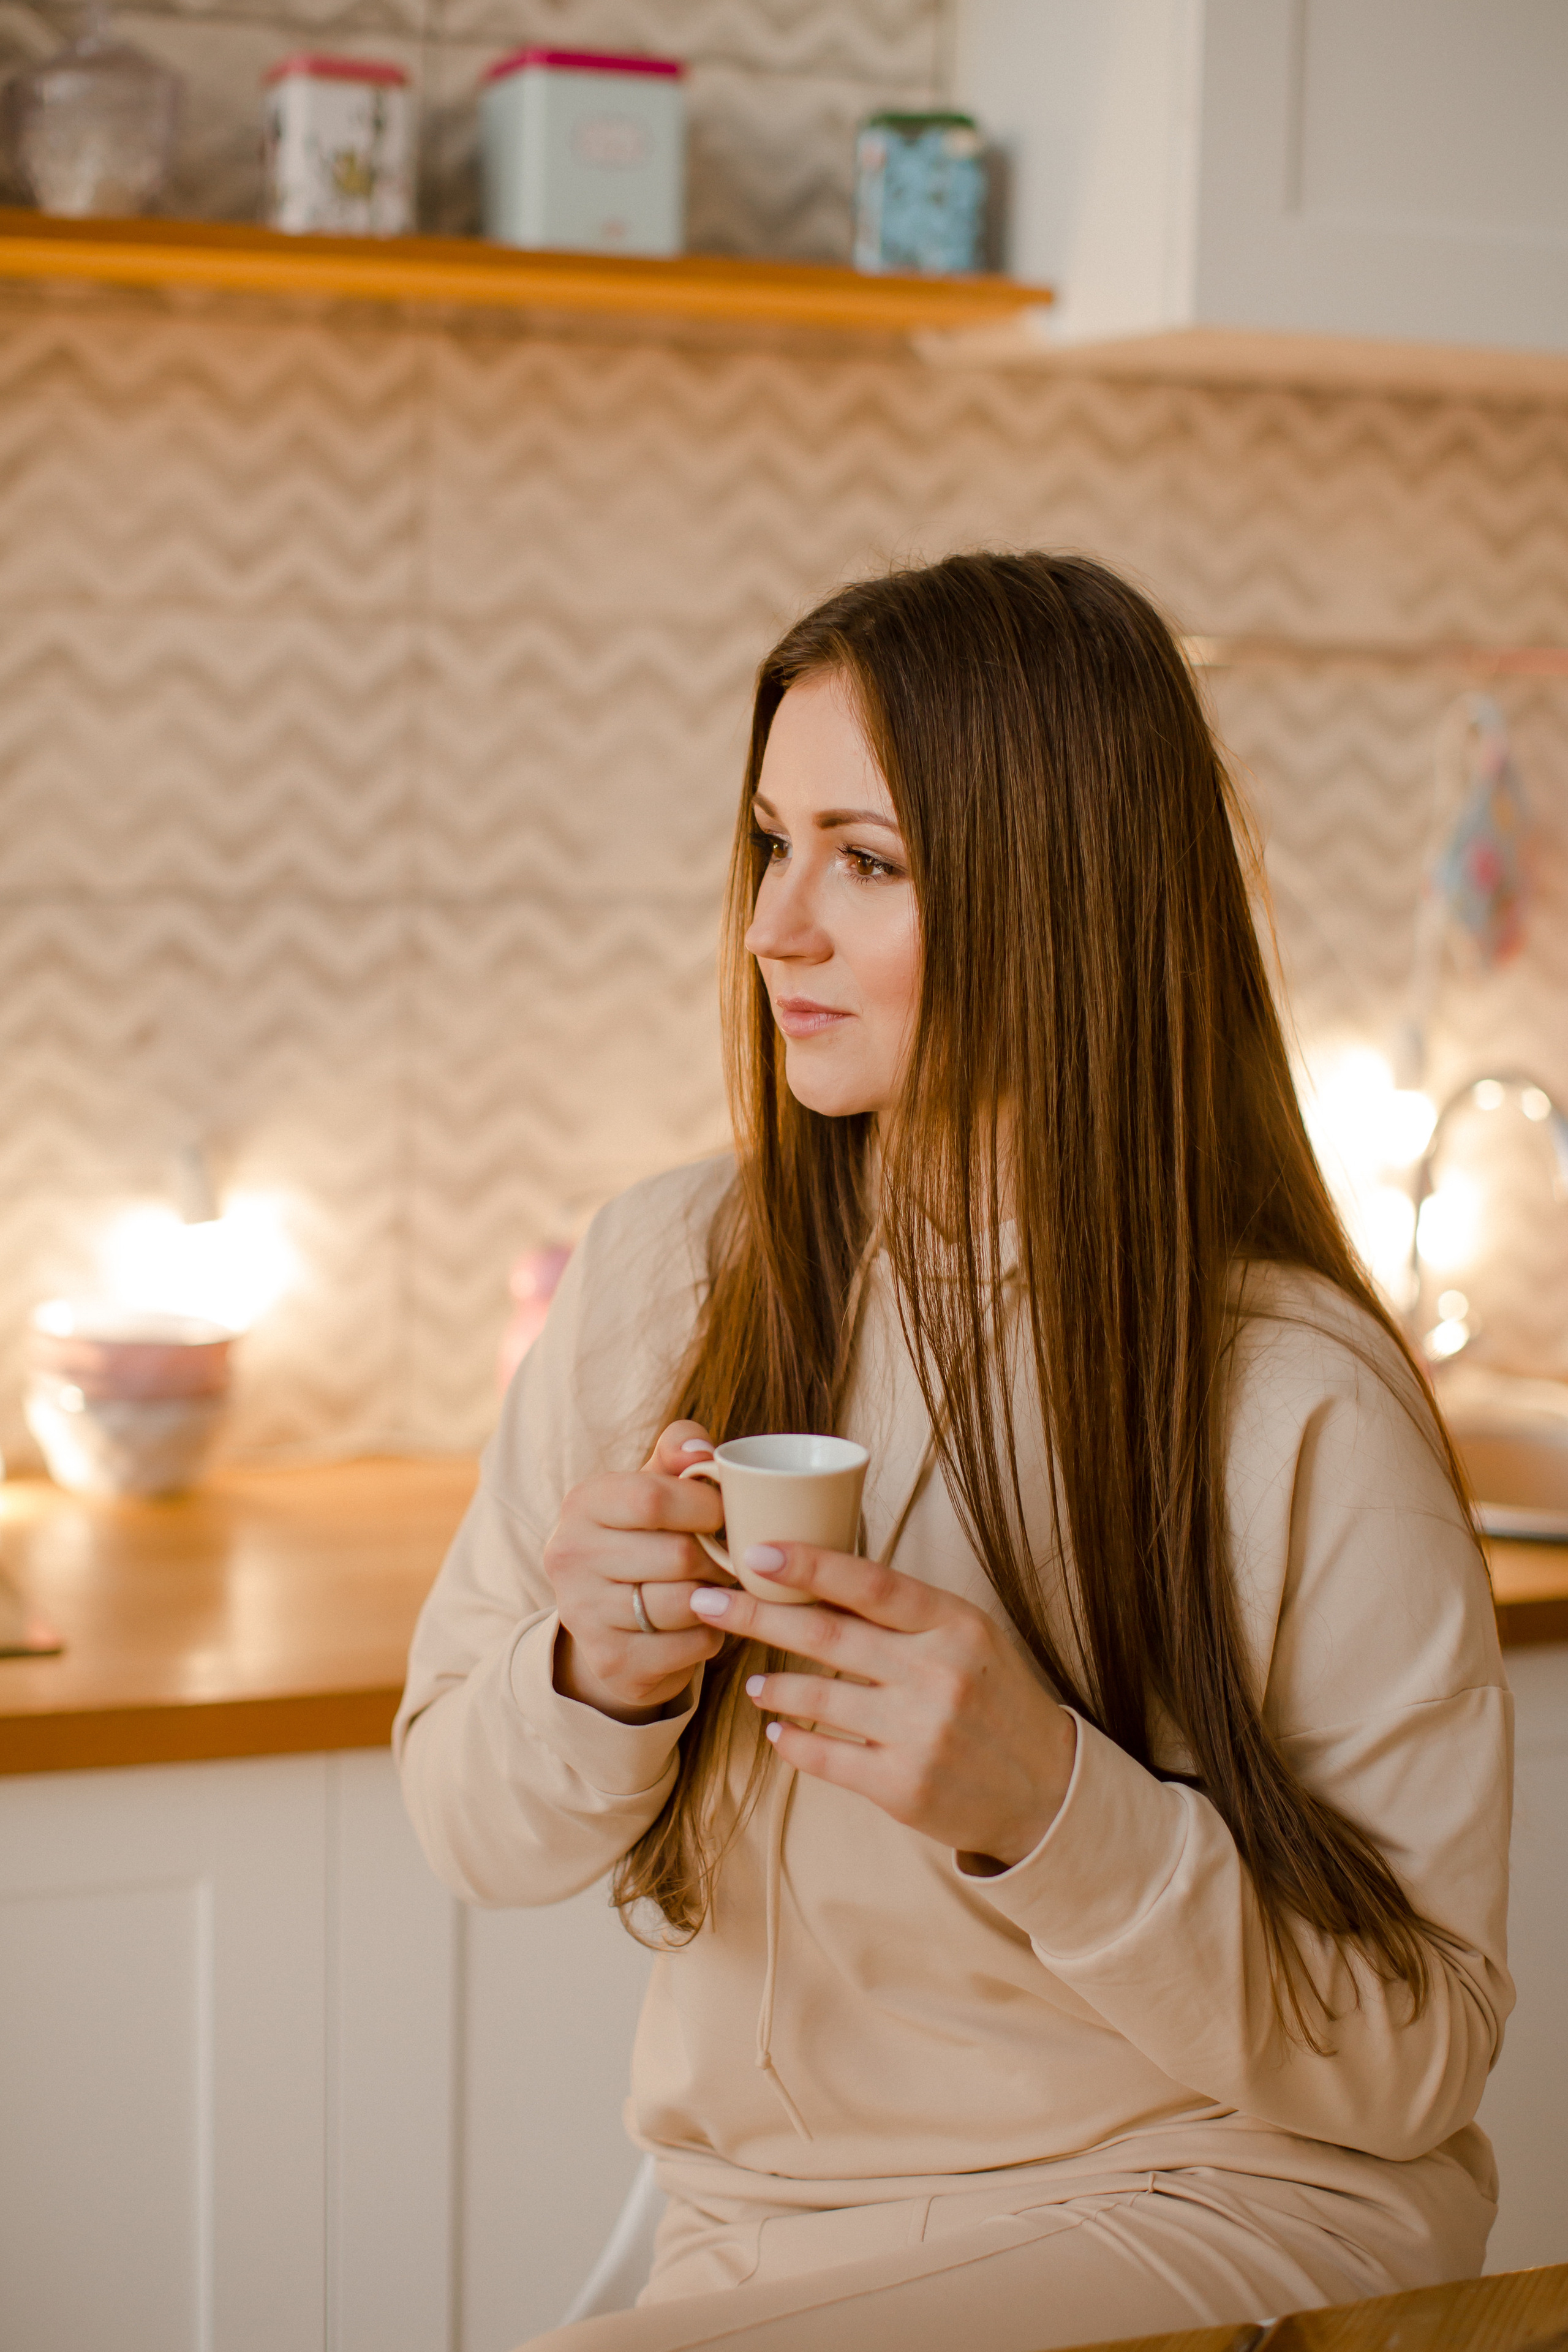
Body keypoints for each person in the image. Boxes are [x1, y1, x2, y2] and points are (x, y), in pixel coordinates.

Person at [394, 552, 1512, 2352]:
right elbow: (468, 1825)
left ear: (1061, 896)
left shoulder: (1296, 1395)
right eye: (772, 844)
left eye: (869, 861)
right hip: (758, 2228)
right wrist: (591, 1674)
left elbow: (1419, 2055)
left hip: (1212, 2203)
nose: (776, 929)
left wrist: (1054, 1807)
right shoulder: (662, 1276)